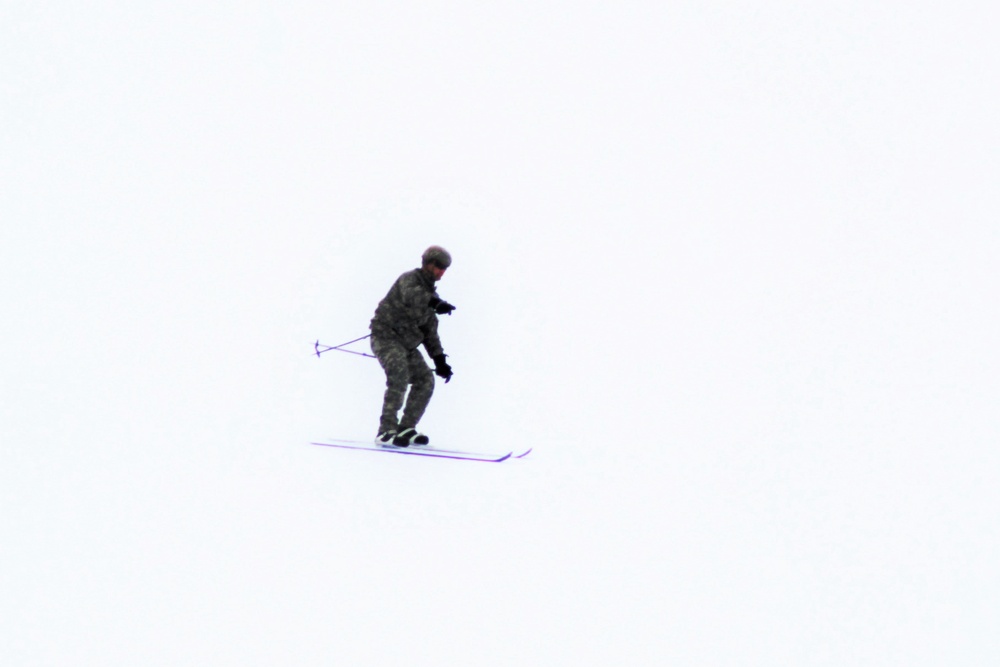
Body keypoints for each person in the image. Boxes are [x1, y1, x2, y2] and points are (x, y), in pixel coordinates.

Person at [368, 246, 456, 446]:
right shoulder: (409, 280)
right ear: (427, 263)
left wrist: (440, 361)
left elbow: (430, 334)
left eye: (445, 268)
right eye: (439, 266)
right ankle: (386, 431)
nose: (441, 271)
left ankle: (406, 428)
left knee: (426, 379)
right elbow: (412, 296)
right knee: (399, 375)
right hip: (385, 337)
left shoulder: (430, 296)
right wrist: (435, 303)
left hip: (406, 345)